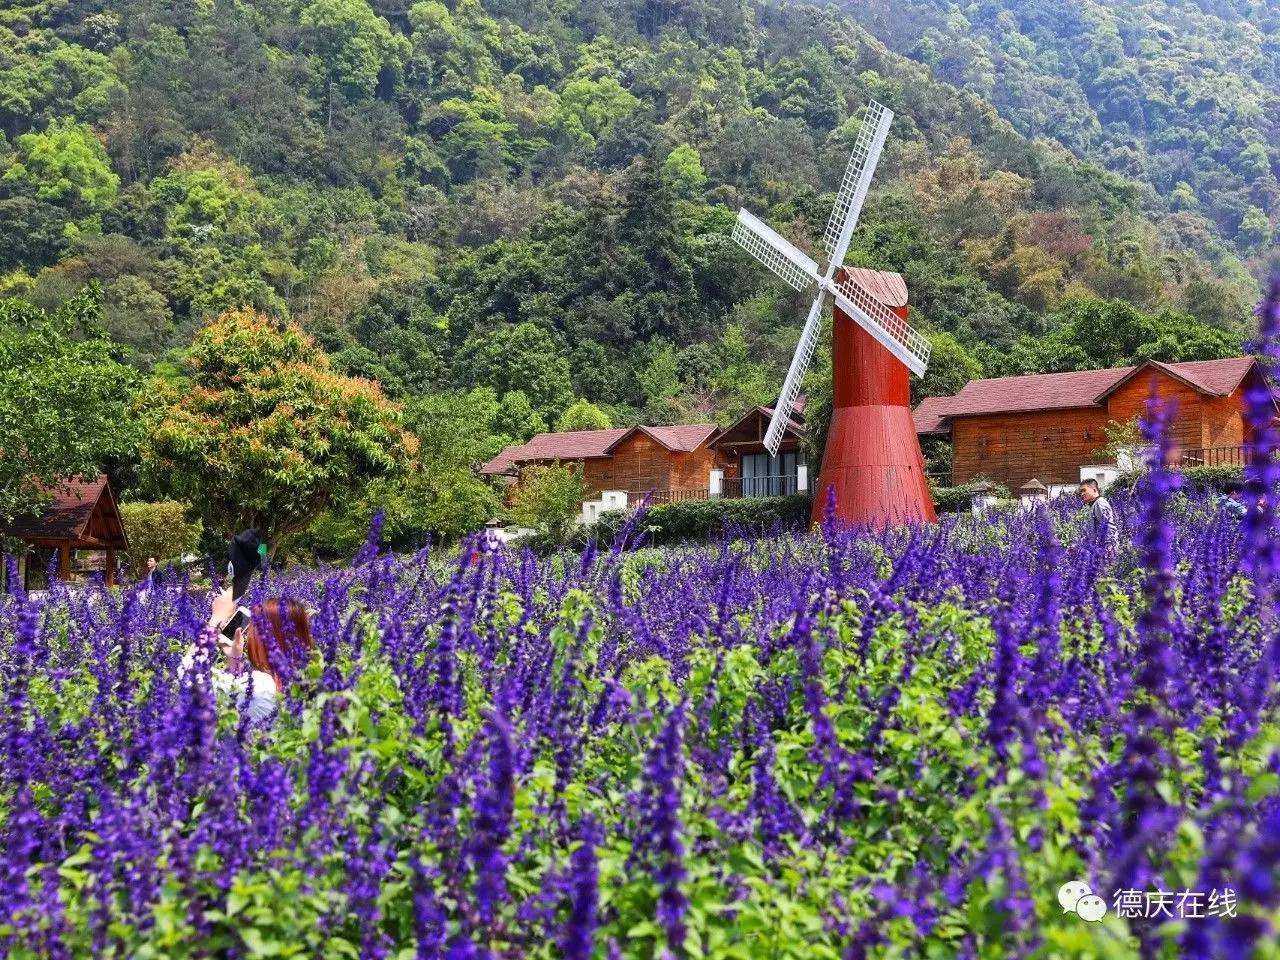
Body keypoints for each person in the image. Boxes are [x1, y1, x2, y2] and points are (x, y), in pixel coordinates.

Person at [215, 599, 314, 722]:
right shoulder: (307, 677)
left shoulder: (261, 685)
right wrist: (234, 658)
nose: (247, 635)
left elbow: (186, 676)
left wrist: (214, 619)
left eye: (252, 628)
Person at [1079, 479, 1119, 555]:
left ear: (1094, 490)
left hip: (1106, 550)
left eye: (1084, 490)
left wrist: (1109, 550)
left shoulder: (1100, 503)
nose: (1082, 494)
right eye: (1081, 492)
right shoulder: (1094, 504)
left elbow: (1109, 527)